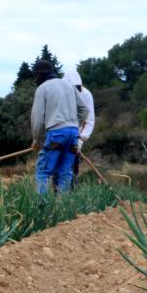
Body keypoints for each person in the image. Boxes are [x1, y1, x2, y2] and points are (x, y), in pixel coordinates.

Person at [30, 59, 88, 194]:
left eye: (35, 77)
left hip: (56, 134)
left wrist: (37, 140)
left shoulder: (42, 89)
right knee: (64, 171)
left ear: (39, 75)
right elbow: (84, 110)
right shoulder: (69, 86)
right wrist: (73, 124)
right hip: (73, 134)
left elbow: (38, 118)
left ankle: (41, 208)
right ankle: (62, 209)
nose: (35, 80)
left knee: (43, 171)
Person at [63, 68, 95, 184]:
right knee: (59, 169)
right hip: (61, 135)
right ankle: (58, 196)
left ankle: (71, 195)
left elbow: (90, 120)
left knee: (72, 168)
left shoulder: (86, 95)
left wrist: (81, 139)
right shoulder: (61, 94)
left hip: (76, 137)